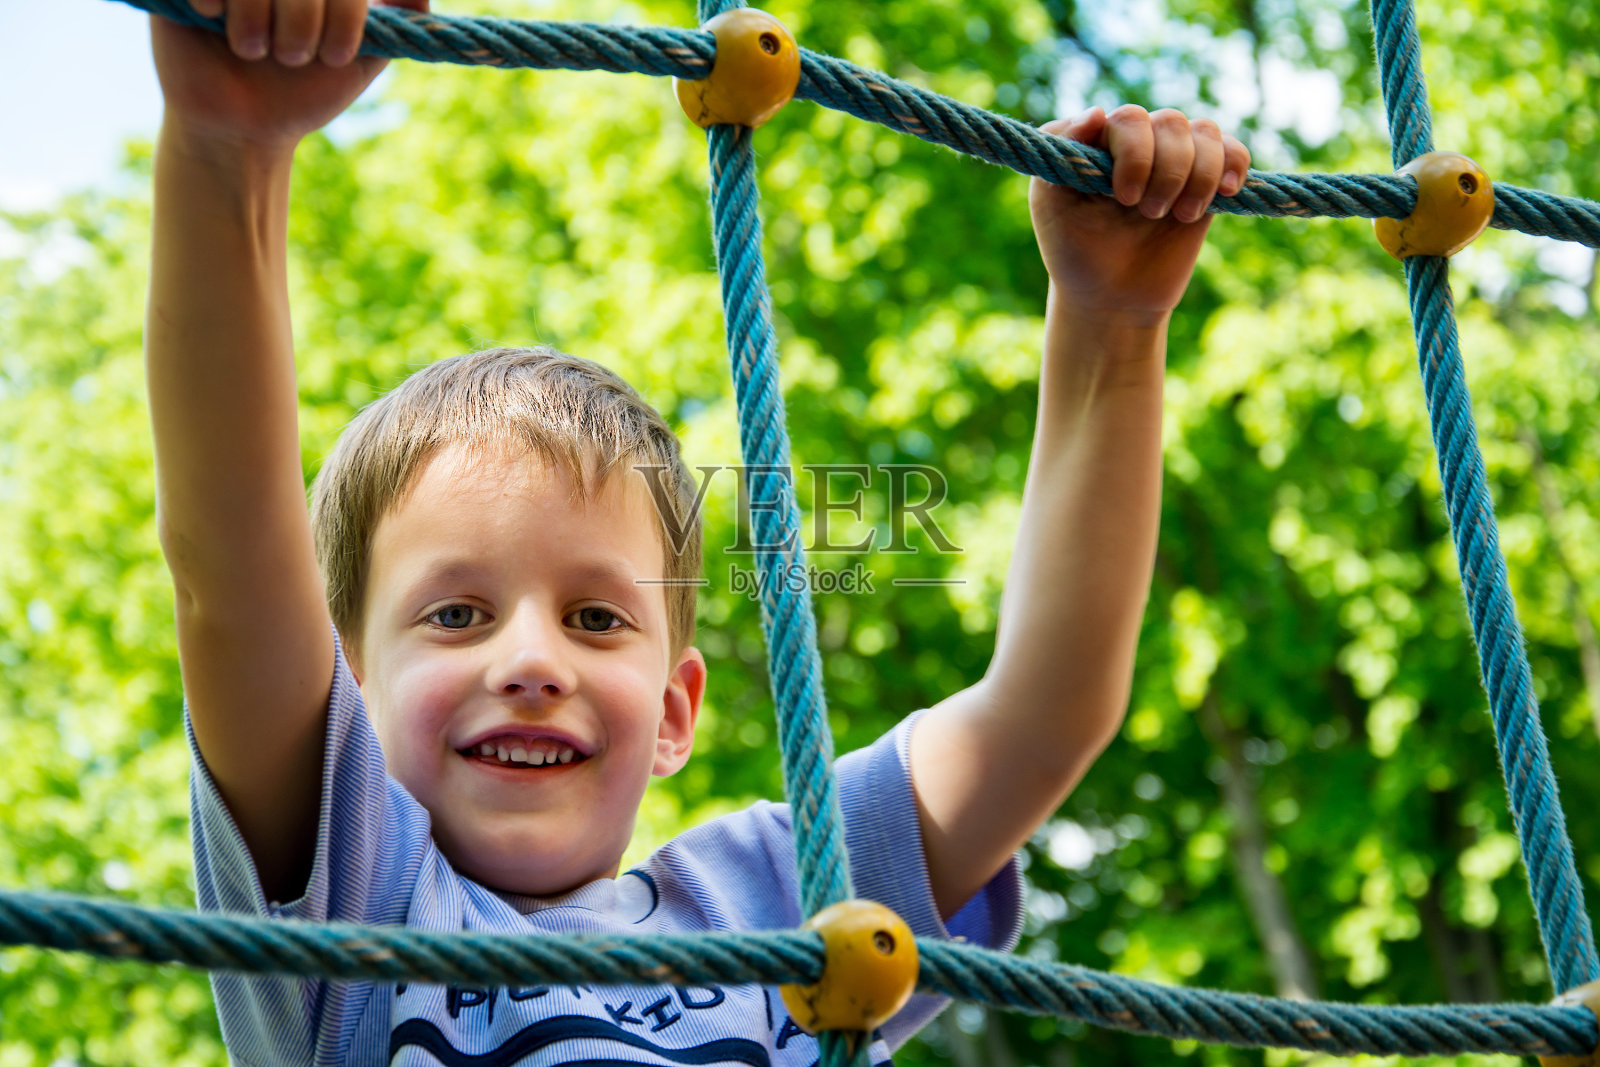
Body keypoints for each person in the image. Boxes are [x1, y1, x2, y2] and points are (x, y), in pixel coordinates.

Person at [145, 1, 1250, 1063]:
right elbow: (232, 574)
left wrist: (1114, 323)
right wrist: (228, 150)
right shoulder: (357, 913)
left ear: (674, 711)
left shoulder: (775, 905)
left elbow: (1045, 713)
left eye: (594, 616)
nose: (531, 660)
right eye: (454, 613)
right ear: (345, 688)